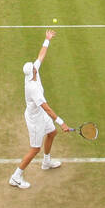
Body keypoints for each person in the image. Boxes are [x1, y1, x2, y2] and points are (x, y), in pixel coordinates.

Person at [9, 30, 71, 190]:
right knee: (35, 149)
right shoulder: (33, 89)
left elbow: (40, 57)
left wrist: (47, 39)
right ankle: (16, 177)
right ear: (33, 72)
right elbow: (48, 109)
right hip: (35, 120)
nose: (36, 66)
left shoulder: (32, 71)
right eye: (34, 67)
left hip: (41, 115)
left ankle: (47, 162)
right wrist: (62, 122)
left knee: (52, 133)